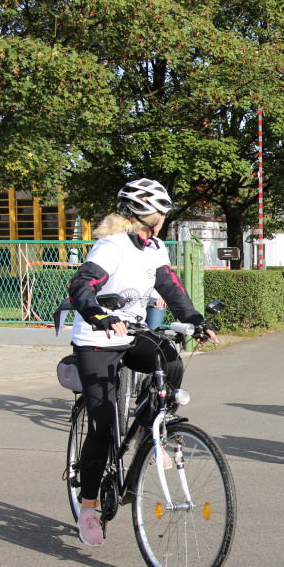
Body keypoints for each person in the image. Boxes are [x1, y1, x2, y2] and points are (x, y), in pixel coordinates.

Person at [67, 178, 217, 546]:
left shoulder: (155, 248)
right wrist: (97, 315)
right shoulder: (112, 246)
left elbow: (170, 288)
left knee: (171, 359)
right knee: (102, 427)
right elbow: (82, 284)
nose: (165, 217)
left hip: (131, 333)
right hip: (98, 339)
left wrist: (196, 321)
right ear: (147, 216)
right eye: (162, 212)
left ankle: (150, 436)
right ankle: (88, 508)